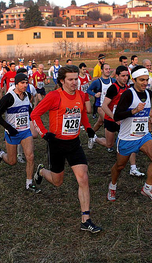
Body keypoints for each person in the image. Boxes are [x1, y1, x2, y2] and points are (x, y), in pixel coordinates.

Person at [31, 65, 102, 234]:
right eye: (70, 79)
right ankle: (41, 171)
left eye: (76, 79)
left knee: (83, 178)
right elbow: (35, 114)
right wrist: (44, 134)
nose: (74, 82)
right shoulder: (54, 96)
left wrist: (88, 127)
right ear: (62, 81)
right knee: (57, 182)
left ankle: (86, 219)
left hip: (74, 143)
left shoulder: (80, 95)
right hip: (56, 144)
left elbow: (82, 112)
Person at [107, 65, 152, 203]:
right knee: (119, 167)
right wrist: (134, 111)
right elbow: (117, 116)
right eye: (141, 80)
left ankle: (147, 188)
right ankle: (112, 185)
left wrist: (150, 116)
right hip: (127, 138)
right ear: (134, 79)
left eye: (147, 79)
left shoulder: (149, 93)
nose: (145, 83)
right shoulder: (128, 94)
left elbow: (147, 109)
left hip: (143, 136)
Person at [90, 66, 144, 176]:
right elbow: (104, 106)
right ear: (117, 76)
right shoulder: (113, 88)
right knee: (110, 144)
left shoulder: (128, 88)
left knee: (131, 141)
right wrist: (115, 118)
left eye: (126, 76)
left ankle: (133, 168)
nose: (125, 78)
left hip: (124, 120)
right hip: (111, 119)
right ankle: (95, 139)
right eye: (123, 76)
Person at [0, 73, 40, 192]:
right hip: (12, 133)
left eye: (26, 83)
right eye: (22, 83)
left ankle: (29, 183)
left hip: (25, 131)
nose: (25, 85)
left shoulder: (28, 95)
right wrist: (9, 127)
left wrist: (33, 121)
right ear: (16, 84)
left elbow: (29, 110)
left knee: (30, 156)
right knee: (12, 161)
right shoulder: (8, 98)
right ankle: (1, 154)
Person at [87, 63, 115, 135]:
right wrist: (95, 94)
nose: (108, 71)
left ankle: (91, 134)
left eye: (109, 69)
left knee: (100, 122)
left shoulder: (113, 81)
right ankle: (109, 143)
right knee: (108, 122)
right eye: (106, 69)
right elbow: (88, 90)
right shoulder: (97, 82)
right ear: (102, 70)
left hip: (110, 106)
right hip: (100, 107)